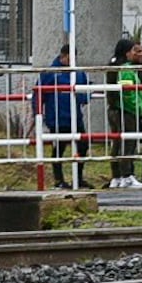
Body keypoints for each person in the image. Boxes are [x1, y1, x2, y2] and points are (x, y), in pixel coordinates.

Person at [35, 44, 91, 189]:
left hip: (75, 117)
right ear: (63, 56)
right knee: (59, 148)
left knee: (83, 146)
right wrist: (38, 113)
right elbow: (39, 92)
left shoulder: (78, 73)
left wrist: (85, 96)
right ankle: (58, 180)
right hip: (57, 117)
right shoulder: (50, 73)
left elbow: (85, 91)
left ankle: (78, 177)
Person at [107, 36, 142, 188]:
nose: (136, 54)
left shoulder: (113, 66)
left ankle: (117, 176)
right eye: (133, 50)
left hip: (114, 109)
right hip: (125, 111)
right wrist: (138, 108)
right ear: (126, 52)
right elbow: (127, 93)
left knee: (117, 142)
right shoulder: (126, 69)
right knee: (128, 142)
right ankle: (126, 175)